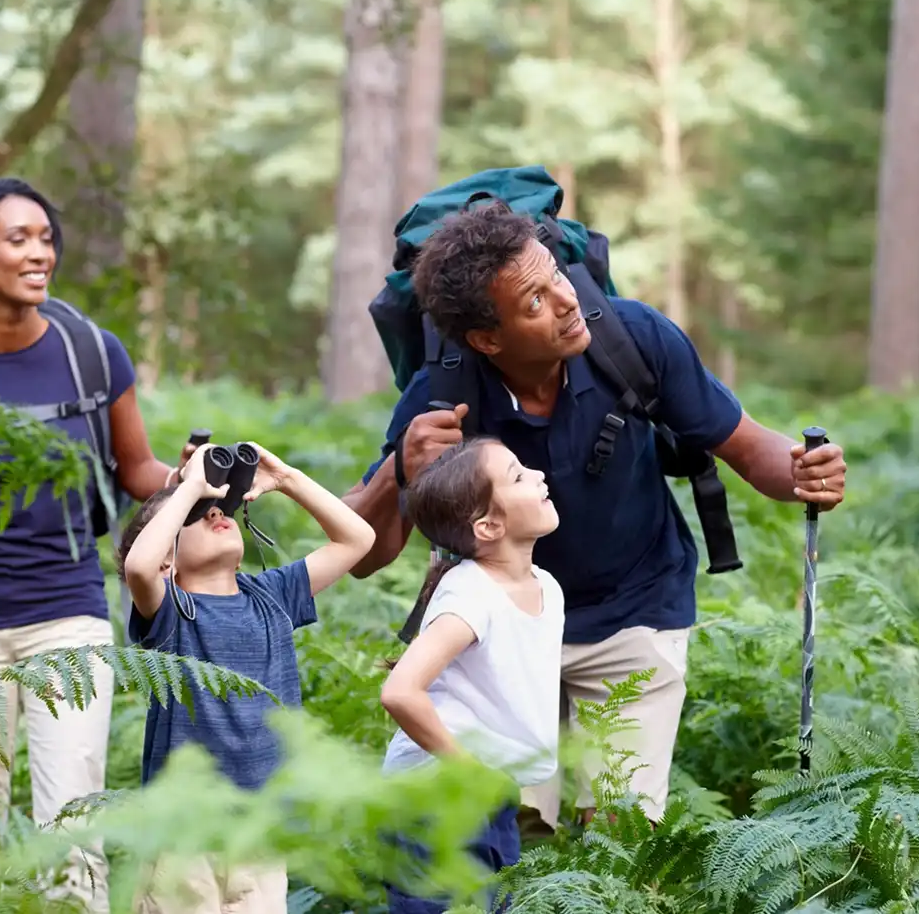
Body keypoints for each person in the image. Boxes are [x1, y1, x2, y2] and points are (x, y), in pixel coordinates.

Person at [341, 199, 849, 831]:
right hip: (501, 631)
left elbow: (748, 447)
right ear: (486, 338)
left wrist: (801, 471)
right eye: (533, 301)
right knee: (509, 836)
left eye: (555, 273)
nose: (564, 300)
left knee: (621, 833)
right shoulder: (442, 391)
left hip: (636, 608)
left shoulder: (631, 338)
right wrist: (401, 470)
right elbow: (365, 557)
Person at [0, 177, 188, 909]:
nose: (39, 253)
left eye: (45, 238)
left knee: (71, 821)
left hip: (68, 615)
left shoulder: (93, 352)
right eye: (17, 239)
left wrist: (191, 480)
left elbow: (136, 468)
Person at [119, 441, 376, 914]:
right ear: (167, 561)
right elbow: (138, 565)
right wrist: (189, 486)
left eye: (222, 509)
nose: (218, 514)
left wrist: (287, 479)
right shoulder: (172, 611)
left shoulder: (272, 596)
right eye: (198, 516)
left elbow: (358, 541)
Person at [377, 437, 565, 913]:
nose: (539, 475)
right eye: (519, 475)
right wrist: (468, 770)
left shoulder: (546, 586)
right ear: (487, 525)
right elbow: (400, 692)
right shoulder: (471, 596)